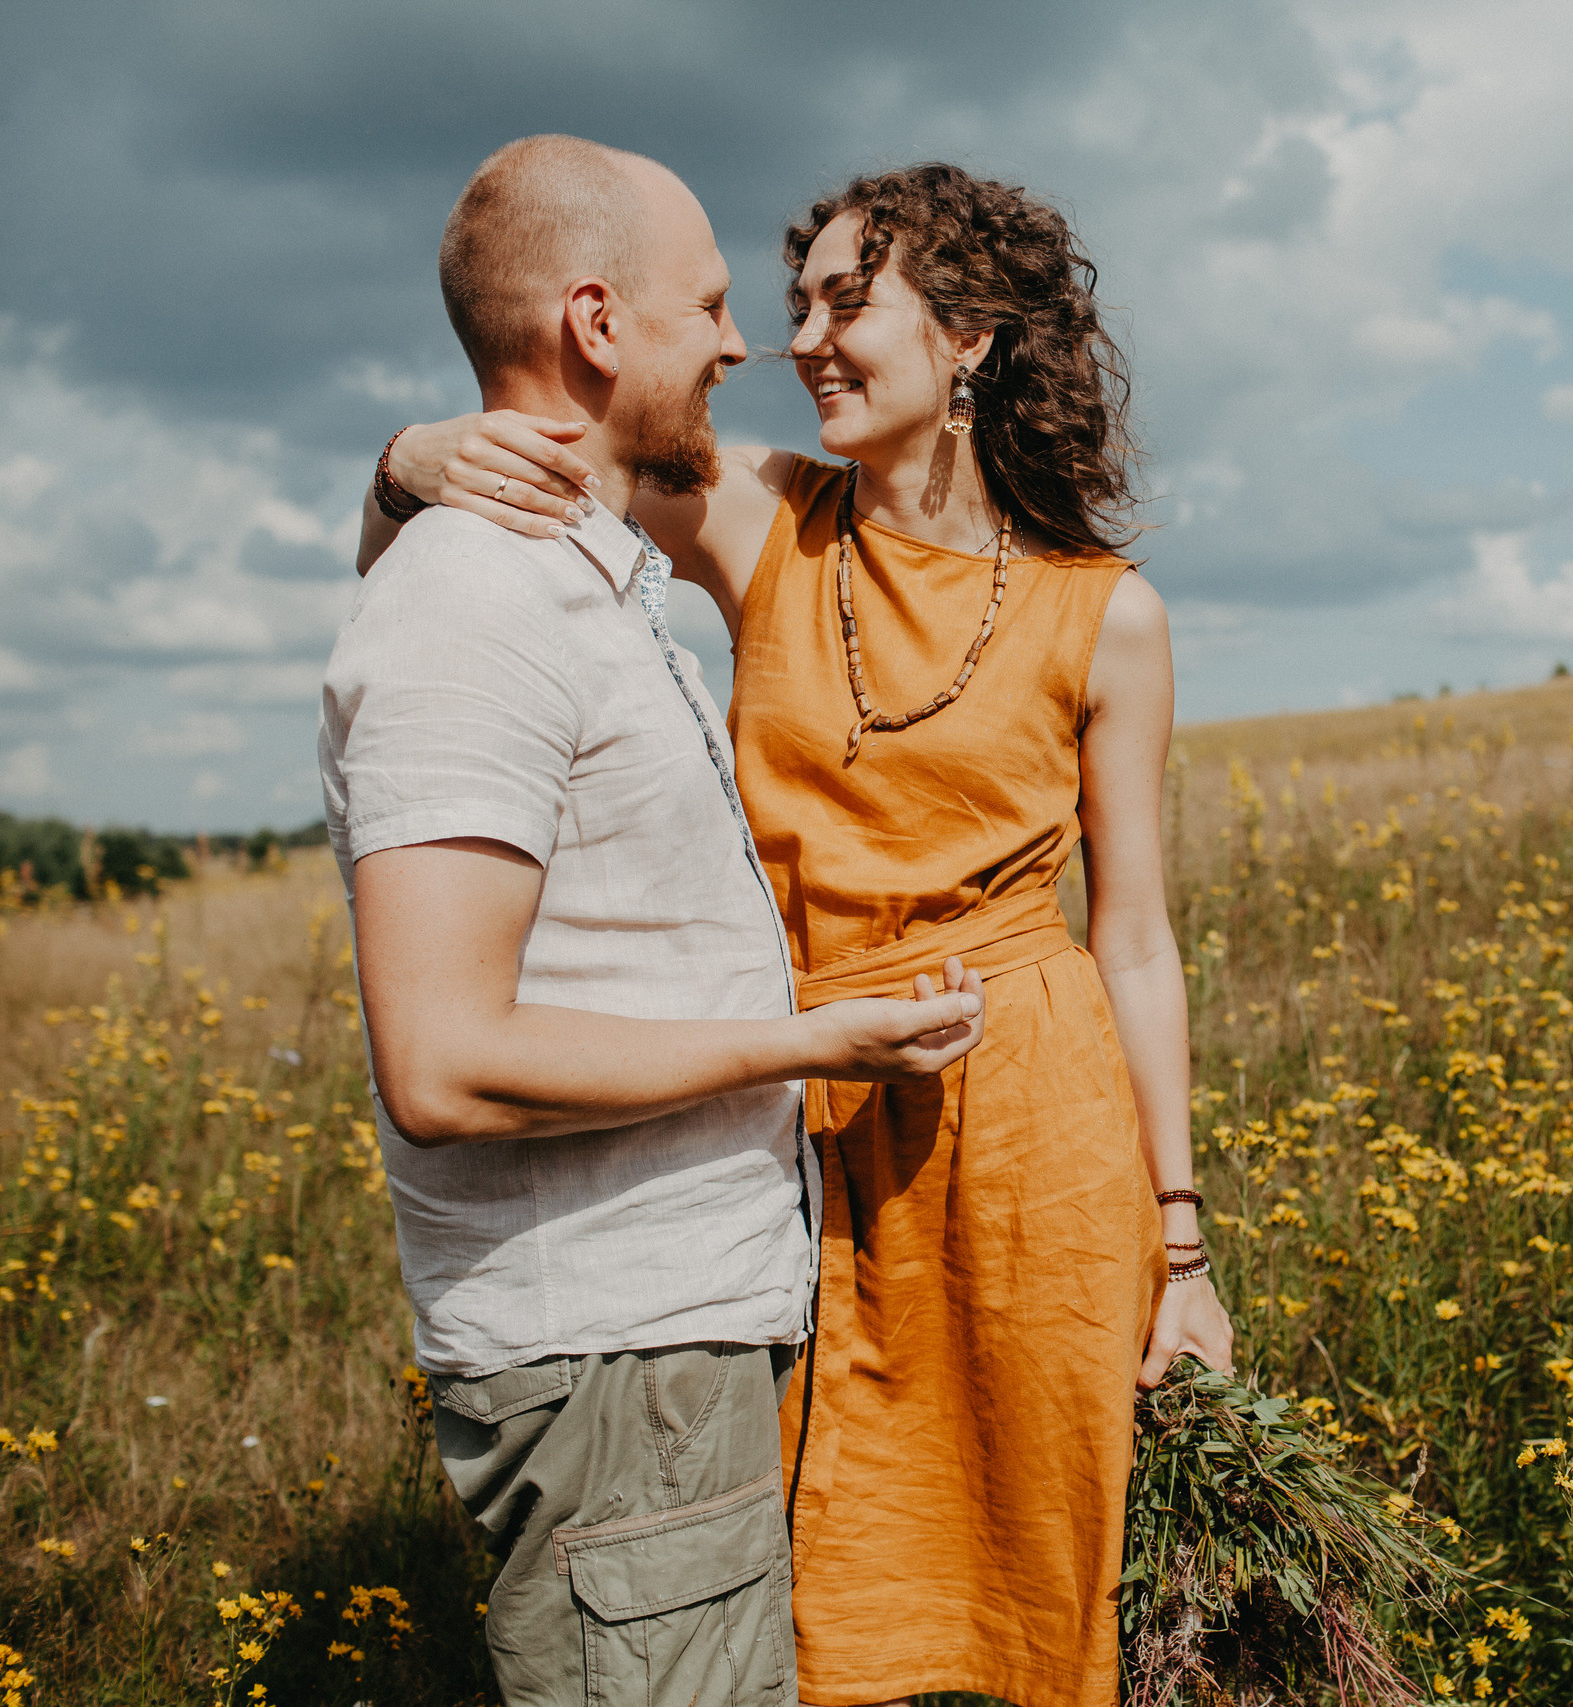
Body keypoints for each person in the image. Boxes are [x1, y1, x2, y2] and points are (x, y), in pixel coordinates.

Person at [364, 161, 1234, 1707]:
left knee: (1040, 1586)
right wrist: (403, 458)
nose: (800, 341)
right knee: (808, 1586)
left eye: (849, 301)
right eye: (789, 307)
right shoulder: (766, 517)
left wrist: (1182, 1242)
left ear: (969, 338)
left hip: (1032, 1129)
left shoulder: (1111, 614)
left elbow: (1140, 943)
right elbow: (548, 463)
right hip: (798, 1117)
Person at [326, 136, 988, 1707]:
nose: (744, 344)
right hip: (613, 1355)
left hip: (666, 1343)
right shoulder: (475, 607)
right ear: (600, 325)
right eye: (709, 306)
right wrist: (807, 1043)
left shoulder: (583, 577)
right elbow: (443, 1062)